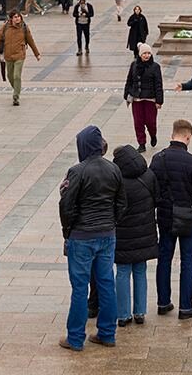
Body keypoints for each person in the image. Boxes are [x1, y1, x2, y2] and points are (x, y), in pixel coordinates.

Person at [58, 126, 125, 352]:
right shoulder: (113, 168)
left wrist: (68, 230)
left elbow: (66, 205)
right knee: (106, 284)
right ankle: (107, 333)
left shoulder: (77, 171)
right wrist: (111, 222)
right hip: (107, 234)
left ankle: (75, 338)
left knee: (80, 288)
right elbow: (121, 203)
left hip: (82, 236)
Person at [150, 119, 192, 320]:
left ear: (172, 134)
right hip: (187, 217)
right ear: (188, 136)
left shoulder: (158, 159)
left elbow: (152, 188)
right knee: (187, 261)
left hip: (165, 216)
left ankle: (163, 302)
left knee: (164, 258)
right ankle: (186, 306)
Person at [112, 144, 159, 327]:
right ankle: (140, 312)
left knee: (122, 272)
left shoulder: (117, 180)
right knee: (140, 270)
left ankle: (123, 315)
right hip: (144, 232)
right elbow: (157, 199)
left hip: (123, 235)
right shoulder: (149, 175)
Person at [0, 10, 41, 106]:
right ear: (11, 19)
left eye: (19, 16)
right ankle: (17, 89)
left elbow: (31, 41)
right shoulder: (5, 27)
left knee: (16, 76)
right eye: (15, 17)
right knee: (10, 76)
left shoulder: (24, 27)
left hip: (20, 55)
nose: (17, 18)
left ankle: (16, 96)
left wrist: (37, 54)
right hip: (8, 55)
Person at [124, 43, 164, 152]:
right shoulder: (134, 65)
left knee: (151, 122)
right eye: (144, 53)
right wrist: (126, 94)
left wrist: (159, 101)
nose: (147, 55)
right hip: (137, 99)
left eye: (148, 53)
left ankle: (153, 134)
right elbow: (129, 81)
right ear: (140, 54)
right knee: (138, 122)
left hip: (150, 99)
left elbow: (158, 84)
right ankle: (141, 143)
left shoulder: (155, 67)